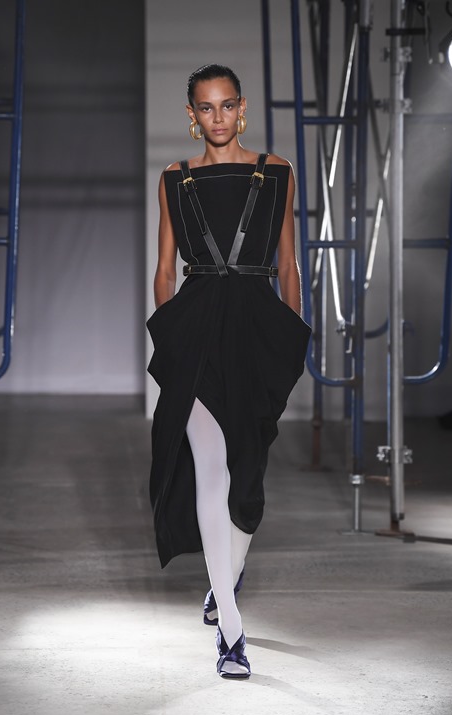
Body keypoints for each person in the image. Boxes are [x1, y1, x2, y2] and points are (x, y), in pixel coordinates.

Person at [147, 63, 310, 680]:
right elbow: (166, 269)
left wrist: (291, 335)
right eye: (205, 107)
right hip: (195, 331)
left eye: (226, 105)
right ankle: (232, 633)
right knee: (211, 470)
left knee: (248, 476)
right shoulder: (175, 177)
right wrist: (168, 340)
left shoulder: (277, 172)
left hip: (256, 331)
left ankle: (225, 580)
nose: (217, 117)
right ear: (193, 115)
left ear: (241, 108)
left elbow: (288, 263)